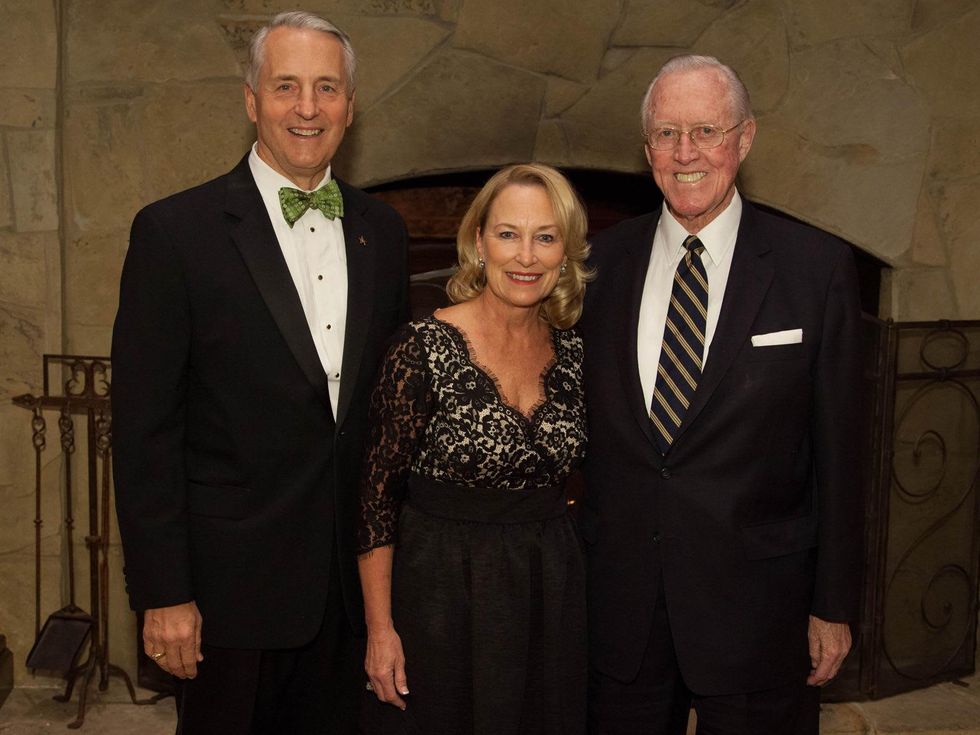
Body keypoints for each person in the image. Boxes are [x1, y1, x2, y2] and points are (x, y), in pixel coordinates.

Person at [111, 11, 409, 734]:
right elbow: (143, 430)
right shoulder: (174, 234)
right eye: (286, 87)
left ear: (350, 104)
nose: (307, 108)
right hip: (226, 601)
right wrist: (164, 593)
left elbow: (384, 421)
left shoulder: (383, 231)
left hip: (349, 598)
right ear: (251, 100)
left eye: (327, 88)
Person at [579, 55, 864, 734]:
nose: (686, 153)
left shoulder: (815, 270)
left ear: (744, 138)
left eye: (706, 131)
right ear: (647, 149)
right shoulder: (597, 264)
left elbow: (843, 452)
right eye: (668, 134)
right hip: (623, 617)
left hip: (760, 617)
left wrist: (834, 602)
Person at [357, 163, 591, 735]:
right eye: (509, 234)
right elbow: (375, 501)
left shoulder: (577, 352)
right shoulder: (421, 348)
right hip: (438, 592)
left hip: (548, 592)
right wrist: (380, 630)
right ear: (479, 242)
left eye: (545, 237)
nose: (526, 256)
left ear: (566, 252)